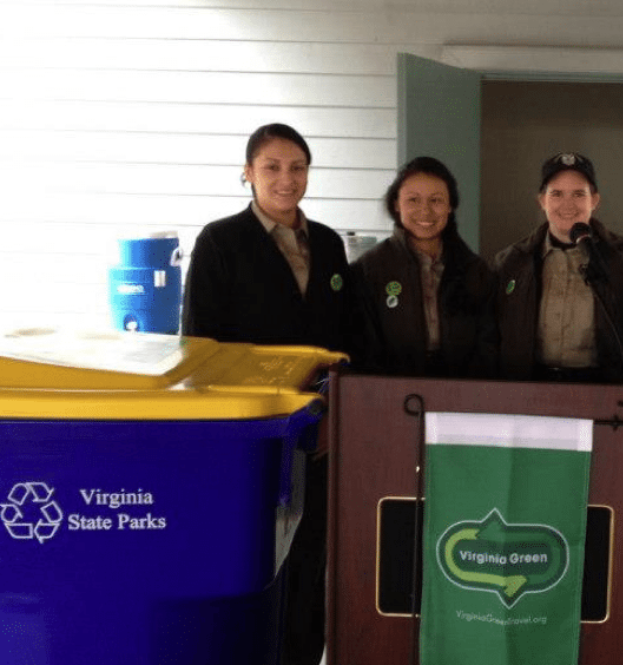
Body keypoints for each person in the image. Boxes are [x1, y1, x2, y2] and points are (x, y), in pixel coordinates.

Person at [182, 123, 358, 665]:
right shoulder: (221, 240)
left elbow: (344, 337)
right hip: (252, 435)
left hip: (318, 431)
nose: (287, 179)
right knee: (254, 557)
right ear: (248, 173)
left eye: (298, 167)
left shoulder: (328, 243)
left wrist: (336, 408)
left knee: (310, 561)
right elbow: (199, 345)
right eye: (272, 167)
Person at [492, 151, 623, 384]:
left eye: (578, 194)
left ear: (594, 200)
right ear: (541, 201)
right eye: (556, 194)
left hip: (601, 389)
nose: (568, 204)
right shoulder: (512, 262)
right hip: (529, 388)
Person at [352, 156, 497, 378]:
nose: (425, 211)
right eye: (413, 200)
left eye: (436, 200)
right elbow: (364, 349)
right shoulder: (368, 270)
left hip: (461, 396)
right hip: (391, 395)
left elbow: (487, 343)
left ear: (450, 206)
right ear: (396, 205)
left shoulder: (475, 270)